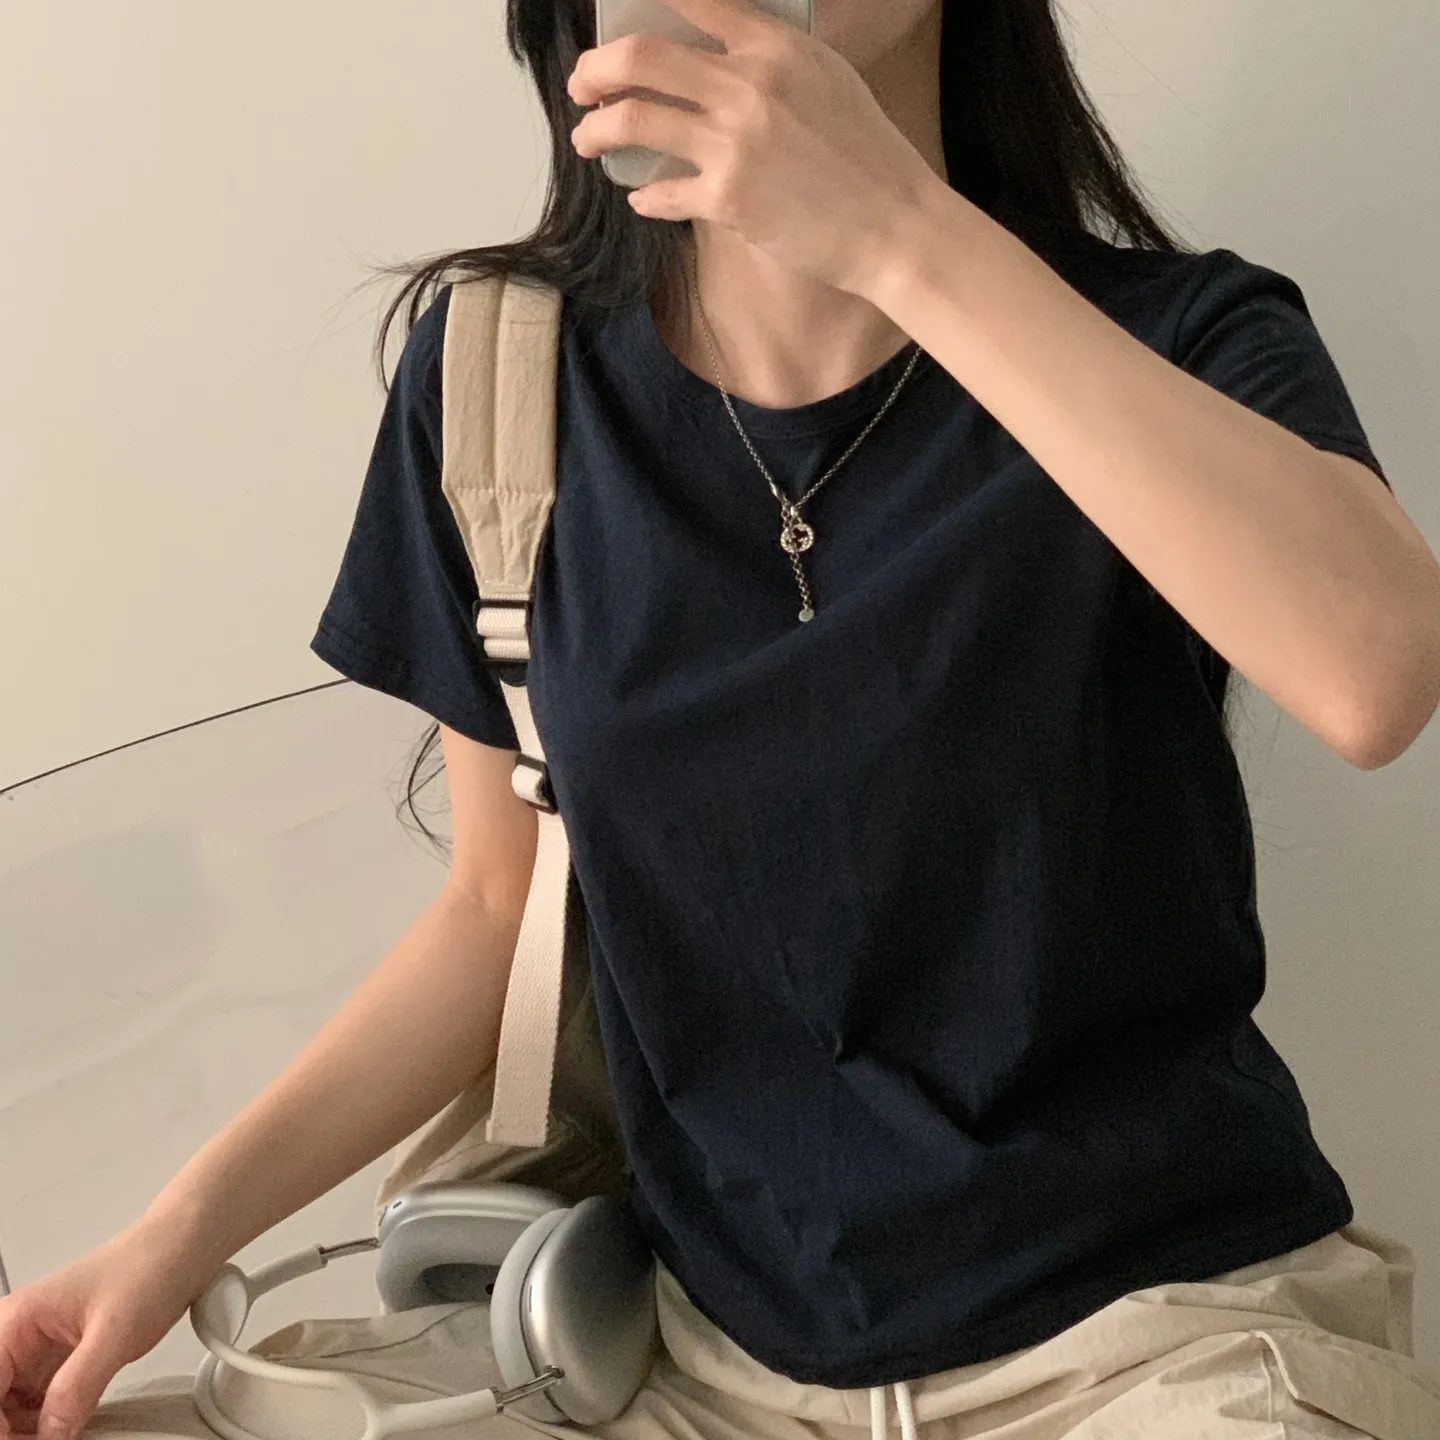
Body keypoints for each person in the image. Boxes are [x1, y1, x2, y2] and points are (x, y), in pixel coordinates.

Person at [5, 1, 1440, 1437]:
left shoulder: (1171, 339)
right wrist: (172, 1238)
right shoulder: (504, 388)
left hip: (1155, 1342)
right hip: (702, 1366)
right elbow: (495, 912)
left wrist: (897, 235)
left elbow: (1375, 674)